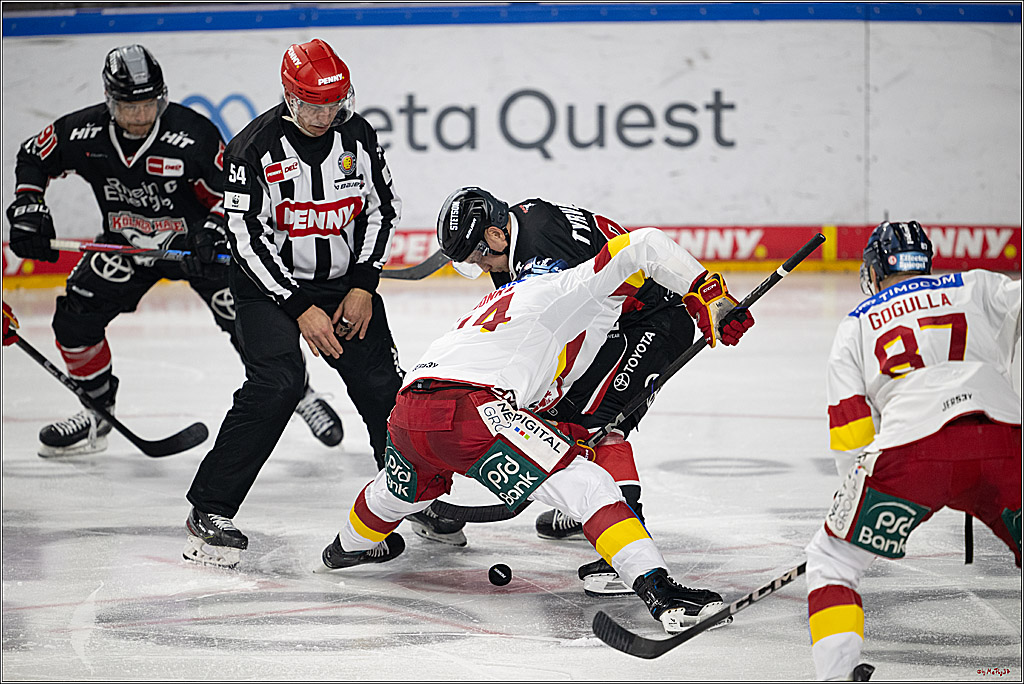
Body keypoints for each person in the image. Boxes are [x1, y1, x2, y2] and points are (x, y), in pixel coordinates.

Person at [316, 226, 754, 633]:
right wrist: (707, 295)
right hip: (473, 411)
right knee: (591, 486)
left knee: (393, 493)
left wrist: (554, 429)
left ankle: (343, 549)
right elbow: (642, 245)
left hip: (410, 412)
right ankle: (663, 596)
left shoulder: (496, 304)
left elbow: (523, 378)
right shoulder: (563, 288)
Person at [5, 44, 342, 458]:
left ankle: (301, 394)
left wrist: (215, 228)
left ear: (161, 96)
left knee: (250, 323)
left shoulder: (193, 133)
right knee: (75, 320)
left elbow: (234, 191)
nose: (140, 115)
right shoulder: (83, 132)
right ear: (110, 101)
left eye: (149, 103)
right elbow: (33, 156)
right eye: (129, 106)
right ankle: (97, 411)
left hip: (198, 250)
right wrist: (28, 204)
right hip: (127, 248)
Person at [427, 187, 725, 597]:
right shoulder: (517, 231)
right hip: (617, 319)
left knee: (598, 425)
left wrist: (542, 391)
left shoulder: (545, 251)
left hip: (651, 322)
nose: (482, 266)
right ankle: (592, 510)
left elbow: (579, 330)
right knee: (571, 415)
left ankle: (625, 541)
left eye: (480, 256)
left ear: (495, 236)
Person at [182, 38, 407, 568]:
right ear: (289, 96)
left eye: (335, 103)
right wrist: (299, 304)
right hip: (268, 288)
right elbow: (244, 238)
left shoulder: (358, 134)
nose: (325, 115)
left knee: (383, 388)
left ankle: (410, 493)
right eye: (313, 104)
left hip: (345, 284)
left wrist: (363, 284)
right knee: (277, 383)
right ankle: (209, 511)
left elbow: (381, 208)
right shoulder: (251, 148)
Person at [806, 221, 1021, 680]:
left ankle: (837, 676)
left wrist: (853, 506)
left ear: (876, 268)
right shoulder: (975, 285)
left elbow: (850, 431)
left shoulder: (858, 323)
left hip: (911, 452)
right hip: (1005, 441)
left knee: (832, 560)